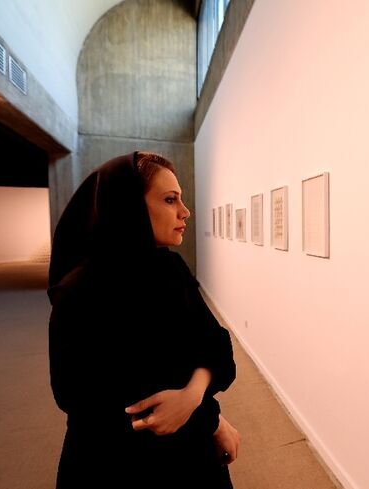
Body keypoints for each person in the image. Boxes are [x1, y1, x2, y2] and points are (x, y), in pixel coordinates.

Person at [47, 151, 240, 488]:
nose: (185, 212)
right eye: (170, 200)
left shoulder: (172, 270)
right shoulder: (79, 291)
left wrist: (195, 398)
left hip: (189, 454)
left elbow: (217, 347)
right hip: (115, 464)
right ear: (129, 207)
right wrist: (208, 416)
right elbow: (87, 397)